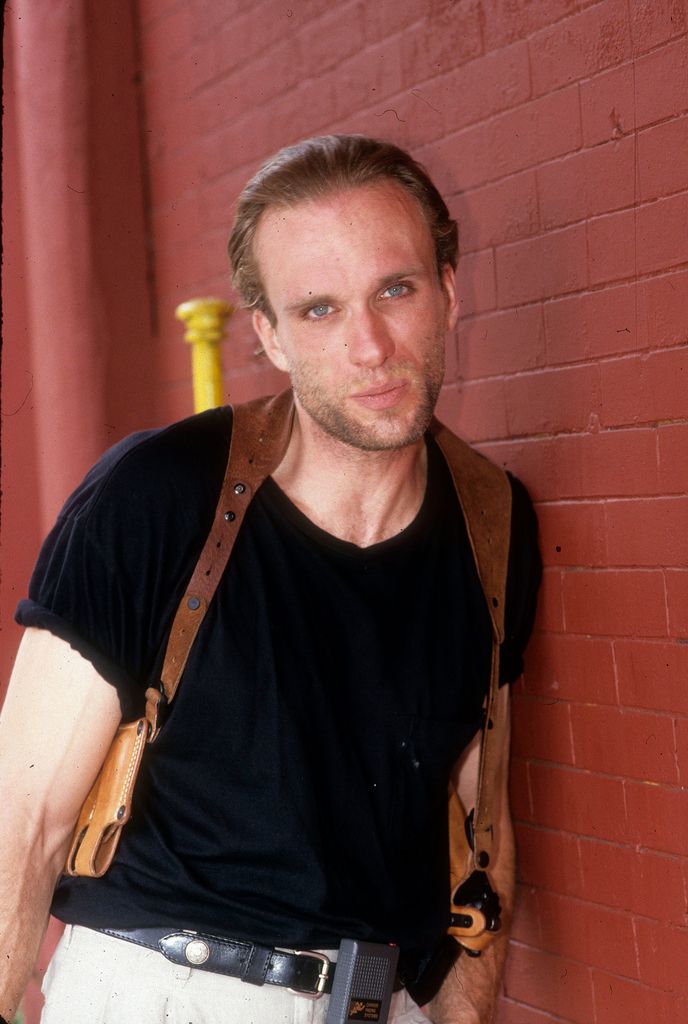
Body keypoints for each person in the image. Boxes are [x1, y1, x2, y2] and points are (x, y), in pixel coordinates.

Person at [0, 135, 540, 1024]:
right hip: (163, 994)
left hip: (380, 1001)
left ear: (449, 291)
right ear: (270, 337)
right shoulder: (159, 496)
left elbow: (483, 837)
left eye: (394, 291)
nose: (369, 345)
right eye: (320, 310)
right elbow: (23, 824)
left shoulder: (493, 524)